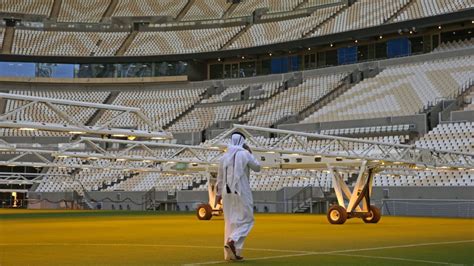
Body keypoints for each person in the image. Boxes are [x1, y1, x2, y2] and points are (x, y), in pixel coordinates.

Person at [216, 132, 261, 261]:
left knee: (230, 221)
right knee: (248, 219)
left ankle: (230, 255)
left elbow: (219, 178)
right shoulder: (245, 154)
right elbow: (257, 167)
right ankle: (233, 240)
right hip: (241, 189)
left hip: (226, 191)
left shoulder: (224, 157)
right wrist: (250, 152)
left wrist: (218, 195)